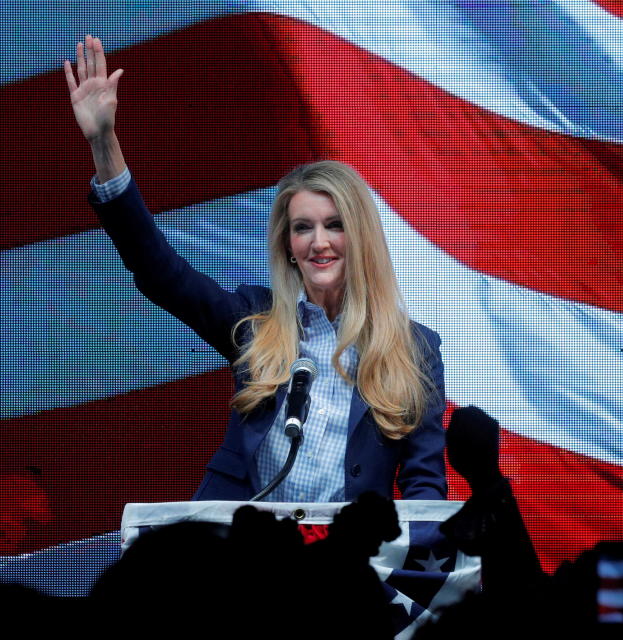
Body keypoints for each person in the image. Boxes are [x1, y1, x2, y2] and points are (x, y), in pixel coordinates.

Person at [64, 35, 446, 501]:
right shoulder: (256, 321)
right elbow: (161, 273)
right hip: (242, 554)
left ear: (362, 238)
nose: (318, 242)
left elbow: (424, 485)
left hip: (344, 562)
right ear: (288, 245)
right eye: (303, 227)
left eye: (334, 226)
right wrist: (104, 142)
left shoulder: (414, 349)